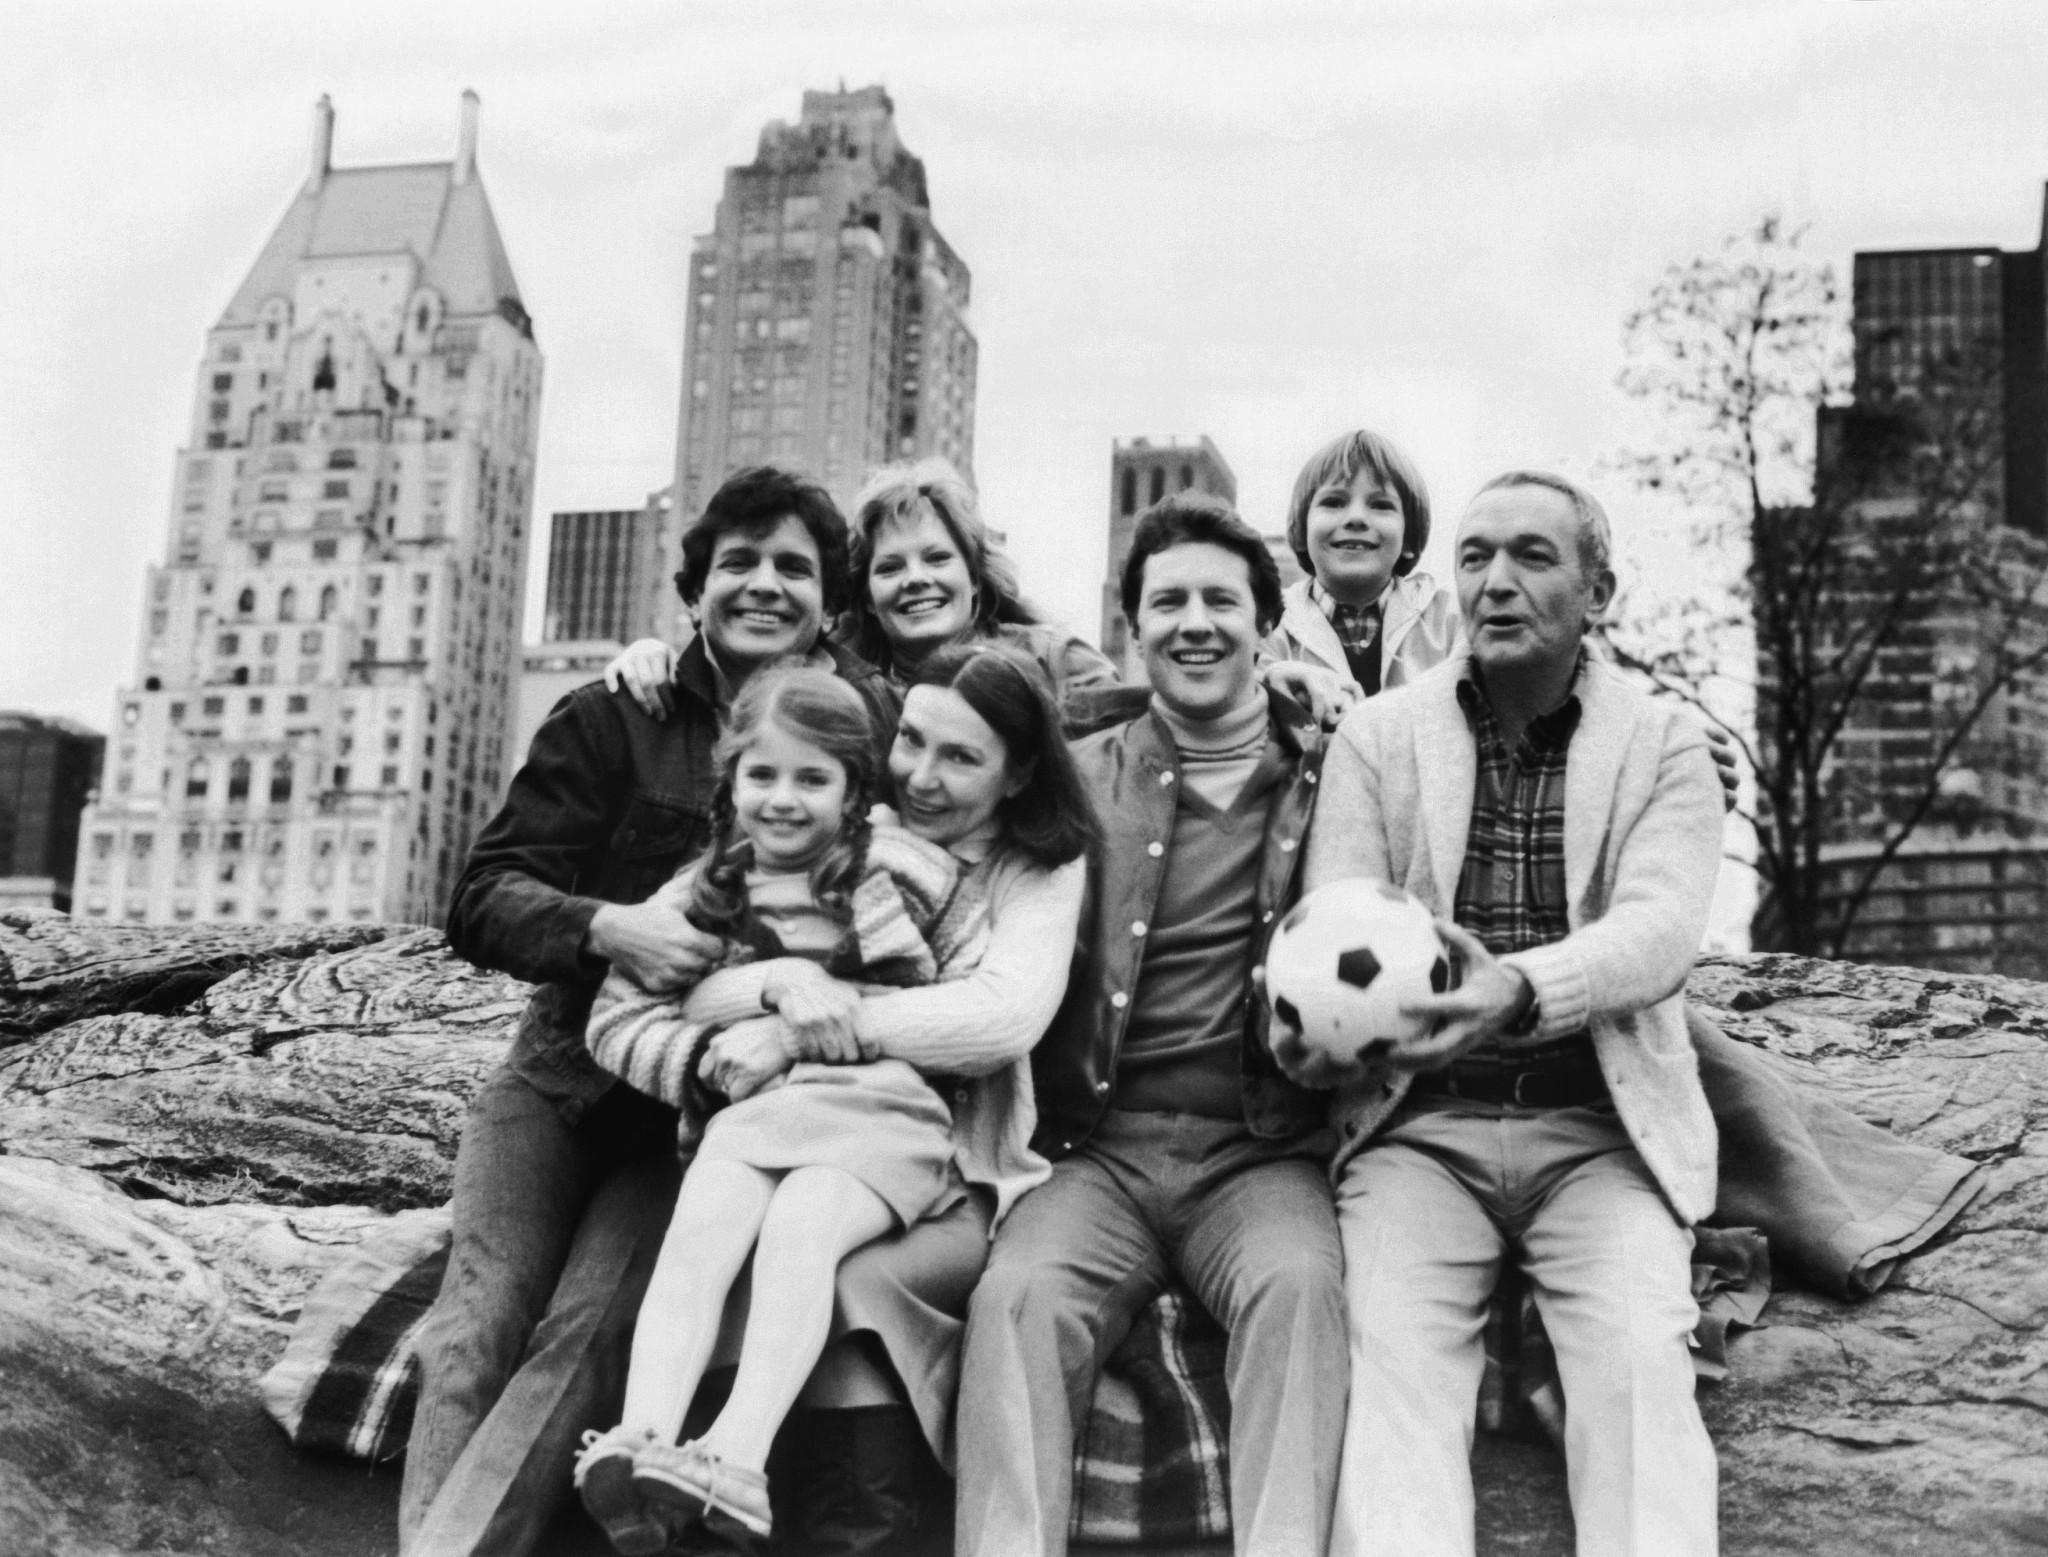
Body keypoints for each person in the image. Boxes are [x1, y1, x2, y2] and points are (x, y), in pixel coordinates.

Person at [402, 466, 896, 1557]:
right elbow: (484, 894)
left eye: (792, 568)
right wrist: (606, 925)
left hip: (695, 1116)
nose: (763, 585)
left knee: (585, 1331)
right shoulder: (612, 711)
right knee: (472, 1326)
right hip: (561, 1075)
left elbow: (1007, 725)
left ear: (828, 600)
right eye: (738, 564)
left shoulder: (861, 728)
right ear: (695, 586)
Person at [566, 640, 1096, 1554]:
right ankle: (642, 1439)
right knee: (699, 1235)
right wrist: (769, 989)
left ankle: (737, 1451)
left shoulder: (919, 865)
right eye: (915, 744)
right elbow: (630, 1000)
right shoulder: (713, 879)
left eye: (962, 756)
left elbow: (981, 1011)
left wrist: (818, 1011)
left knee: (806, 1229)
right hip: (757, 1108)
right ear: (728, 782)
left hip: (885, 1115)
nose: (783, 797)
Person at [1290, 470, 1722, 1557]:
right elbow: (1331, 920)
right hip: (1417, 1135)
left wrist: (1519, 990)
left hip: (1596, 1135)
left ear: (1598, 590)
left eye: (1530, 556)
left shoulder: (1665, 742)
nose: (1493, 581)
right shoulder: (1378, 740)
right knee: (1386, 1396)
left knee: (1636, 1384)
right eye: (1474, 556)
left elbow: (1662, 930)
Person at [955, 492, 1348, 1557]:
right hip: (1093, 1153)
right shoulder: (1074, 776)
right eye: (1166, 601)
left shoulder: (1336, 771)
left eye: (1221, 600)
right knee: (1017, 1301)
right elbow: (932, 765)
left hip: (1260, 1152)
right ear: (1132, 626)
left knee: (1304, 1292)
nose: (1194, 623)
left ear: (1268, 625)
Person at [606, 456, 1356, 727]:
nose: (917, 579)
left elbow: (1148, 710)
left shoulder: (1048, 657)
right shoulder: (834, 674)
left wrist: (1261, 679)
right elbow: (737, 687)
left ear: (973, 576)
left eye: (937, 557)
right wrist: (653, 653)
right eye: (891, 566)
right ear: (863, 591)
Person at [1263, 427, 1461, 702]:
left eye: (1380, 505)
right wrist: (1269, 679)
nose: (1356, 518)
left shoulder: (1449, 622)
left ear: (1408, 537)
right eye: (1333, 502)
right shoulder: (1269, 622)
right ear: (1302, 529)